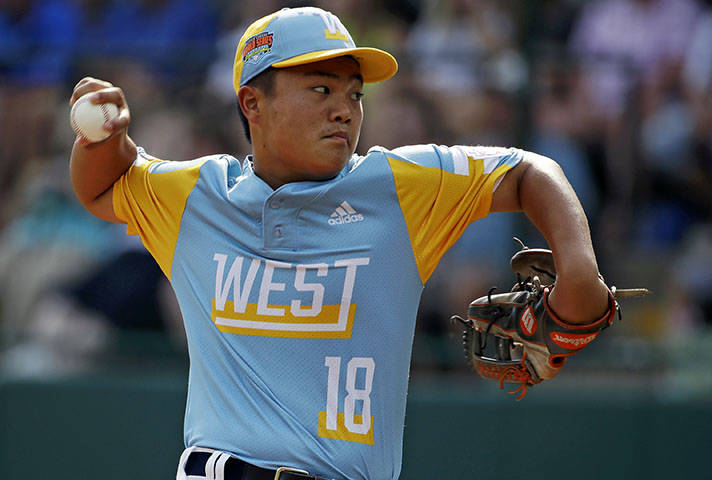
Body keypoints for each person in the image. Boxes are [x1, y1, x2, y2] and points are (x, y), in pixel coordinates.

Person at [69, 7, 611, 480]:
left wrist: (580, 274)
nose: (344, 109)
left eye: (355, 94)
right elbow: (103, 185)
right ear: (252, 104)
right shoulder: (200, 195)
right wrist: (101, 137)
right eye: (321, 89)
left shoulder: (398, 186)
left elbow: (529, 170)